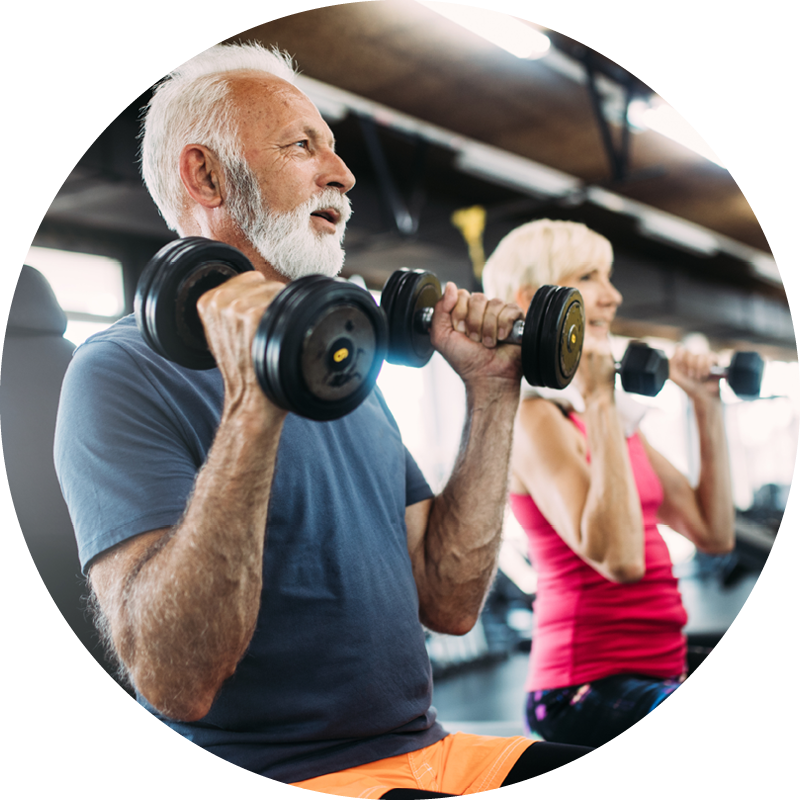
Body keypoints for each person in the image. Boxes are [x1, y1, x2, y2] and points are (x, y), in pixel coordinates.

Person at [53, 44, 591, 796]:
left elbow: (451, 601)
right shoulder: (117, 372)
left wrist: (494, 390)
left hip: (431, 754)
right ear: (205, 175)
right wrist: (252, 404)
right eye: (302, 145)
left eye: (335, 150)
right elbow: (176, 681)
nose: (342, 174)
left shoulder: (344, 367)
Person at [481, 219, 736, 748]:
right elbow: (620, 559)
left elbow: (712, 533)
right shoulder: (533, 419)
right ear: (535, 299)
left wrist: (706, 405)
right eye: (590, 277)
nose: (613, 296)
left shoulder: (611, 421)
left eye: (609, 276)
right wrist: (597, 399)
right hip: (580, 688)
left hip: (660, 668)